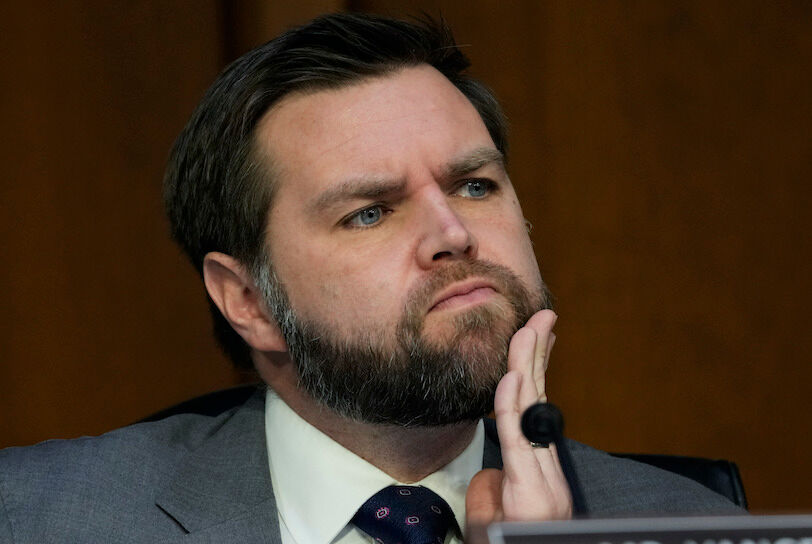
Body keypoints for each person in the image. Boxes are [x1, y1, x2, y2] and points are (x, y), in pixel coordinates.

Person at [0, 12, 743, 544]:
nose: (452, 234)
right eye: (369, 212)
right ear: (249, 300)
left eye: (475, 186)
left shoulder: (704, 532)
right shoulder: (33, 518)